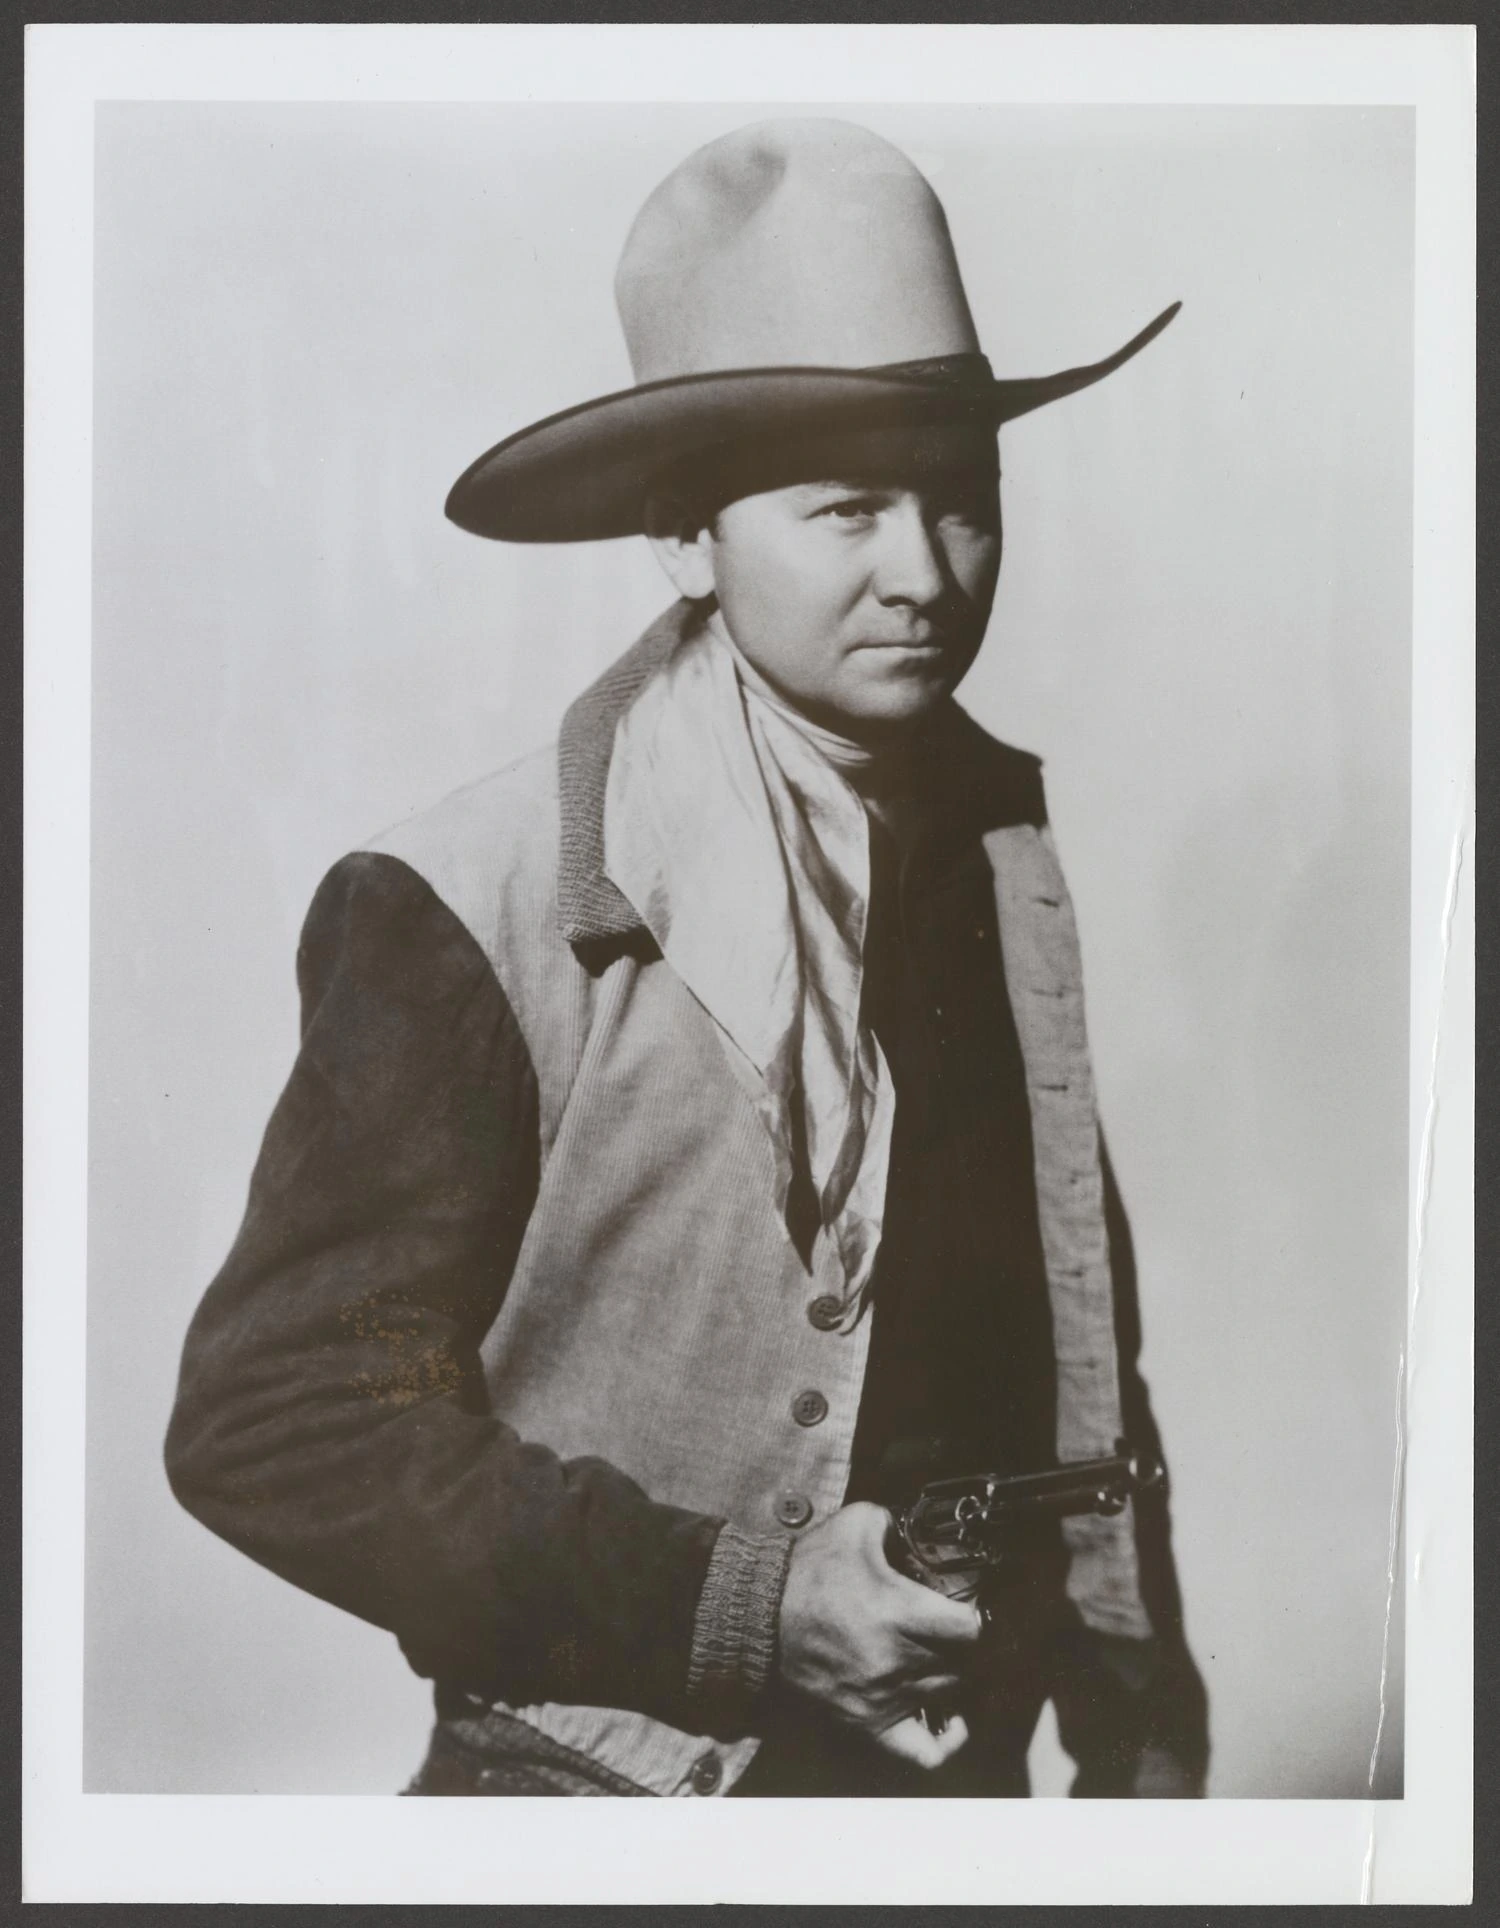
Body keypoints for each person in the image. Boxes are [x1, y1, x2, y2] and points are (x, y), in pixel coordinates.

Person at [166, 116, 1208, 1798]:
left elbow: (1062, 1341)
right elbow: (274, 1424)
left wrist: (1137, 1715)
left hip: (955, 1805)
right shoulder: (470, 900)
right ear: (681, 537)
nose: (922, 577)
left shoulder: (994, 856)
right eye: (846, 508)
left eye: (962, 504)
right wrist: (745, 1604)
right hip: (585, 1811)